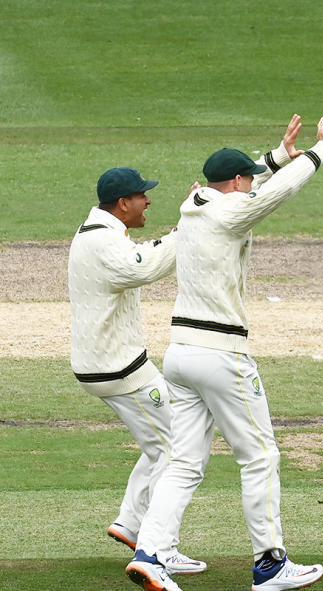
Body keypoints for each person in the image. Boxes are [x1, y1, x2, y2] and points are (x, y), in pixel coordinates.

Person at [125, 115, 323, 591]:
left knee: (183, 461)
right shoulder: (233, 211)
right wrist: (319, 153)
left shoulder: (194, 204)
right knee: (259, 456)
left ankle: (151, 553)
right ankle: (270, 564)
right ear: (237, 184)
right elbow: (274, 193)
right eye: (247, 180)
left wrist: (279, 155)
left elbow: (252, 179)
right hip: (221, 354)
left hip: (179, 353)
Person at [68, 167, 205, 576]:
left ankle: (130, 524)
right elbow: (143, 268)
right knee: (179, 448)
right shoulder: (102, 240)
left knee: (162, 443)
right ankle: (156, 547)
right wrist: (188, 228)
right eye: (142, 196)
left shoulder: (100, 231)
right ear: (123, 203)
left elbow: (140, 259)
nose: (148, 201)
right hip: (119, 368)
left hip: (111, 363)